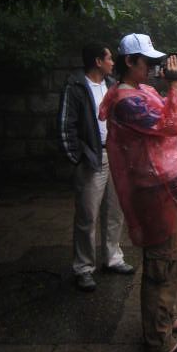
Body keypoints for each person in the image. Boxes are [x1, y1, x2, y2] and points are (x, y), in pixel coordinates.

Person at [99, 33, 177, 352]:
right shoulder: (126, 101)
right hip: (148, 192)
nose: (154, 67)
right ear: (130, 61)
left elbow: (172, 111)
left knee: (171, 258)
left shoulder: (143, 90)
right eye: (148, 62)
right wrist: (176, 83)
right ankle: (159, 340)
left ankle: (165, 317)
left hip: (159, 186)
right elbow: (169, 125)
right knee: (160, 263)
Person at [58, 43, 133, 292]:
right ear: (98, 61)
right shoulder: (76, 86)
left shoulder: (112, 85)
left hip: (115, 154)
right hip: (91, 157)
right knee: (87, 216)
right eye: (109, 58)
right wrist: (77, 157)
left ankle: (113, 258)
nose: (113, 62)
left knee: (115, 211)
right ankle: (83, 268)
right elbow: (66, 125)